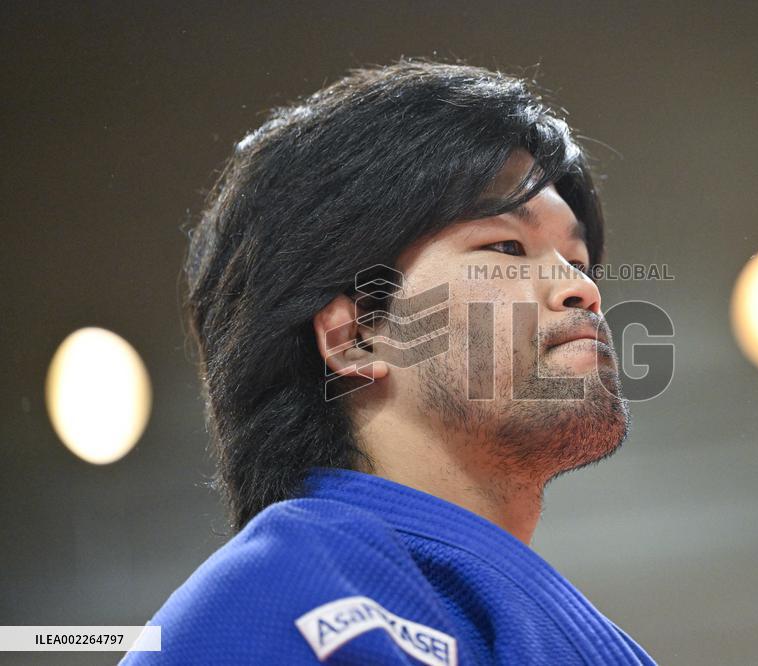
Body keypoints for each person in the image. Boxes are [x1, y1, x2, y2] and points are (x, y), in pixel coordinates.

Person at [122, 58, 655, 665]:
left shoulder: (552, 627)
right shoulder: (283, 601)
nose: (581, 290)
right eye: (506, 246)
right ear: (355, 336)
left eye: (577, 261)